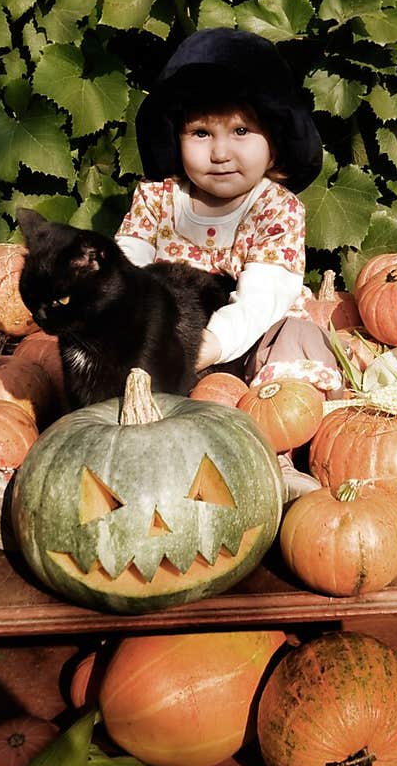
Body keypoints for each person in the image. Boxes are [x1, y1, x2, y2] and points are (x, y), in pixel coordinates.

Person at [115, 28, 344, 499]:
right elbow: (127, 268)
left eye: (241, 131)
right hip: (166, 349)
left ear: (274, 143)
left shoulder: (275, 208)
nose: (220, 152)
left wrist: (209, 343)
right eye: (201, 133)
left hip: (248, 349)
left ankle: (275, 455)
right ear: (177, 137)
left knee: (299, 337)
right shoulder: (158, 201)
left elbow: (263, 298)